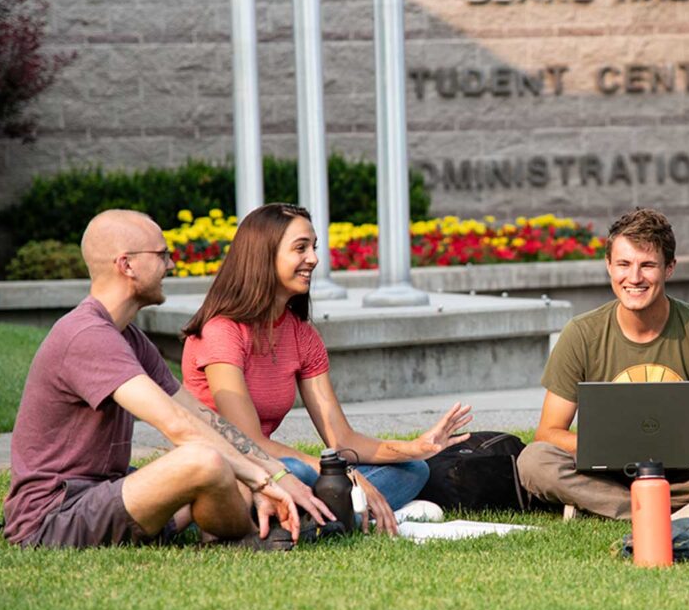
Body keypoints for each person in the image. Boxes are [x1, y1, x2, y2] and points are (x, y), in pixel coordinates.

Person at [4, 209, 334, 550]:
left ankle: (238, 527)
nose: (171, 266)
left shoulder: (127, 336)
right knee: (204, 459)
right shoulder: (86, 335)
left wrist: (272, 470)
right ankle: (241, 538)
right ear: (126, 265)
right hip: (55, 517)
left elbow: (202, 417)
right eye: (162, 255)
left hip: (107, 495)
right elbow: (178, 425)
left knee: (227, 460)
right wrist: (265, 481)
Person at [181, 203, 472, 536]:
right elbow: (251, 443)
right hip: (235, 476)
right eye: (300, 248)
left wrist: (414, 448)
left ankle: (326, 520)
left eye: (313, 248)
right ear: (263, 254)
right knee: (299, 472)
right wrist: (342, 474)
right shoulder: (223, 331)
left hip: (276, 472)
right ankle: (347, 517)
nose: (314, 260)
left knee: (412, 470)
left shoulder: (301, 334)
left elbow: (341, 438)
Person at [517, 207, 689, 519]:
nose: (634, 277)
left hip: (687, 470)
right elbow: (548, 432)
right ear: (608, 266)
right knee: (534, 460)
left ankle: (615, 505)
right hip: (609, 471)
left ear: (669, 268)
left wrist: (683, 444)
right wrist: (606, 447)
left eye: (647, 265)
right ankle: (673, 507)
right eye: (624, 264)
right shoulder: (581, 333)